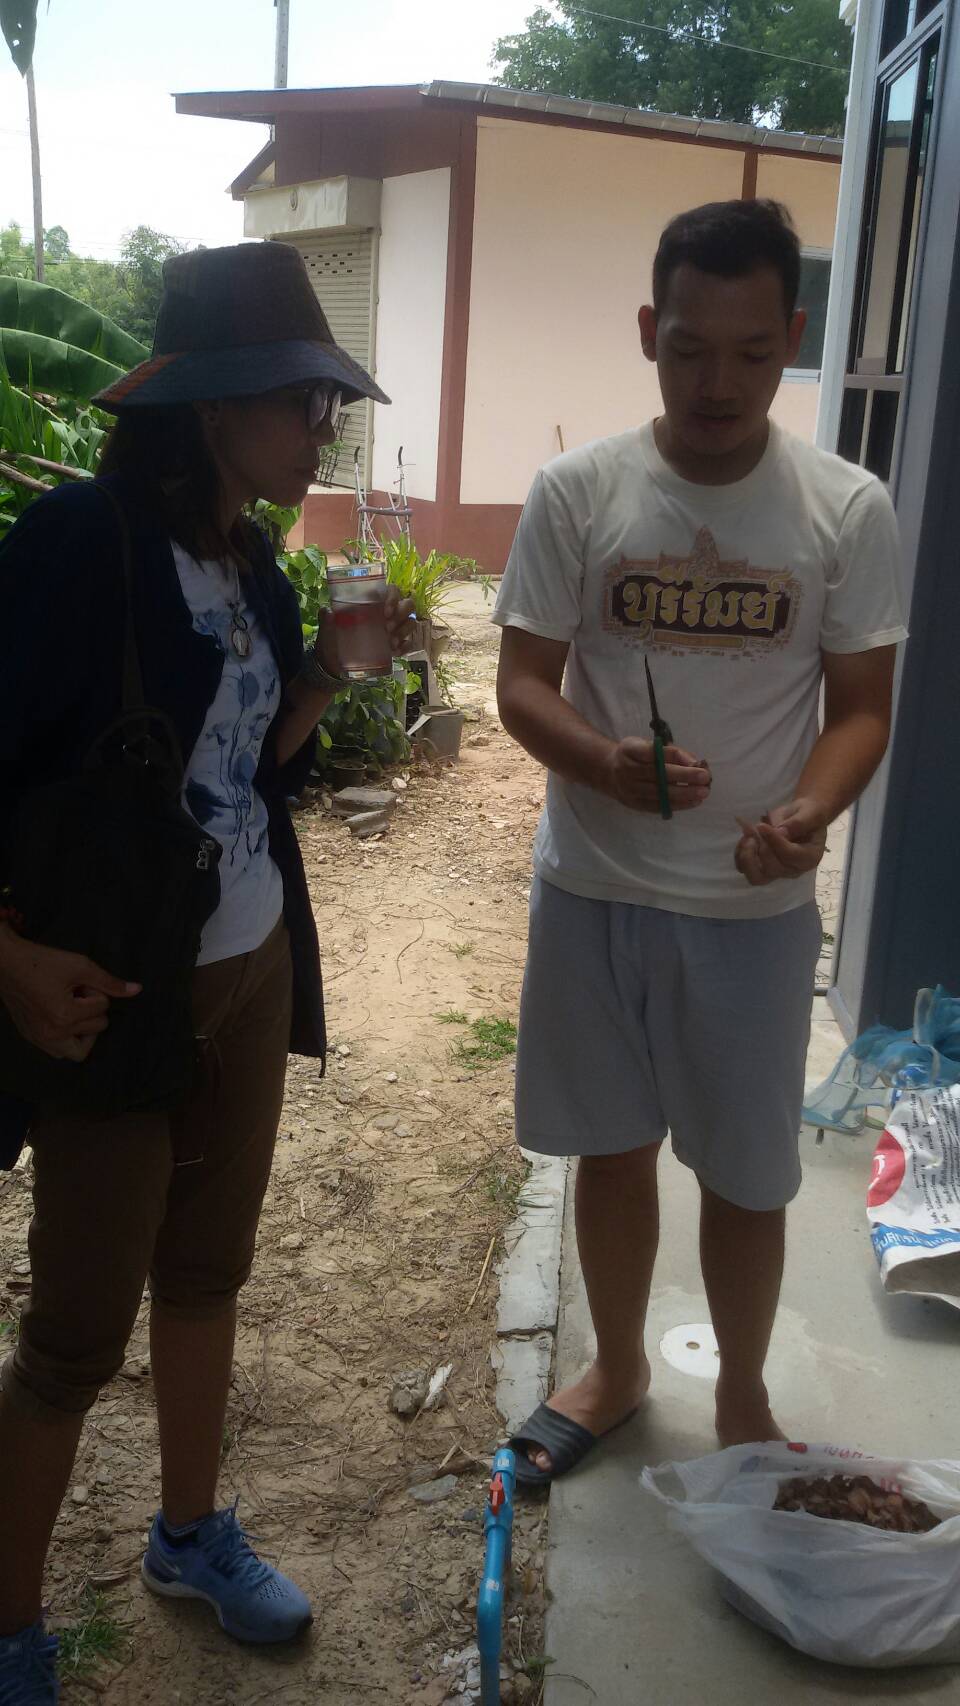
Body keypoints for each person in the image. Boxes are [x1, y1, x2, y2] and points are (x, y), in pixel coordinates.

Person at [0, 241, 412, 1702]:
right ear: (214, 405)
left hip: (247, 968)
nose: (323, 429)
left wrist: (326, 676)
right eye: (303, 400)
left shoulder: (252, 561)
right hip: (115, 998)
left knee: (206, 1272)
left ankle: (187, 1534)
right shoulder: (78, 545)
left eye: (327, 404)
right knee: (71, 1336)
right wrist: (6, 953)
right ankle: (11, 1627)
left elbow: (252, 772)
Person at [494, 200, 907, 1486]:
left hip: (750, 912)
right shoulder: (579, 492)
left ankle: (740, 1392)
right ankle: (617, 1367)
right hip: (595, 888)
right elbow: (522, 683)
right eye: (688, 348)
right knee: (611, 1146)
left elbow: (863, 709)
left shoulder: (846, 507)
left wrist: (810, 812)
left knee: (746, 1172)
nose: (717, 382)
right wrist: (603, 760)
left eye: (751, 352)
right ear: (647, 333)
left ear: (793, 337)